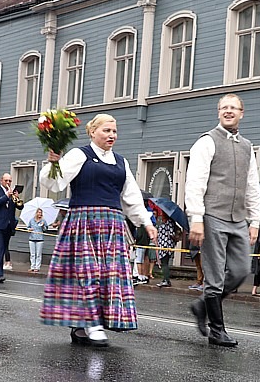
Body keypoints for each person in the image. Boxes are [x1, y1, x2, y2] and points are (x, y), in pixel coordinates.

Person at [39, 113, 157, 347]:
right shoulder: (79, 154)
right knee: (87, 273)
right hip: (84, 221)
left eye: (114, 131)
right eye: (106, 130)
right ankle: (92, 324)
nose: (112, 135)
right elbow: (54, 183)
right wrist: (52, 163)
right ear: (93, 132)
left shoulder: (121, 162)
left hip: (112, 224)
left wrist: (146, 221)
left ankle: (85, 326)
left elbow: (131, 197)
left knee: (107, 275)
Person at [186, 94, 260, 347]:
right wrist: (196, 217)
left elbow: (252, 185)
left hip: (238, 218)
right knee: (215, 276)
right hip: (212, 215)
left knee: (241, 270)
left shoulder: (247, 146)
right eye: (224, 108)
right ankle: (217, 331)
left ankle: (201, 307)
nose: (228, 111)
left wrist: (255, 220)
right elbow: (195, 182)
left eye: (233, 108)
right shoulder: (207, 142)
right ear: (218, 112)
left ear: (242, 113)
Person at [0, 173, 20, 283]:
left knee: (3, 249)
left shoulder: (12, 194)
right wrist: (6, 196)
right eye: (6, 180)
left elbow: (20, 206)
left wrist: (16, 198)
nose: (8, 183)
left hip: (8, 226)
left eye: (10, 181)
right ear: (1, 181)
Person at [152, 205, 178, 288]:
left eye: (163, 213)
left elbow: (171, 234)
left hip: (166, 245)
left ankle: (167, 280)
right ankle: (164, 279)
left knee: (165, 263)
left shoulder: (169, 222)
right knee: (163, 263)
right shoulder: (164, 222)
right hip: (162, 244)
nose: (161, 214)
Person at [27, 208, 48, 273]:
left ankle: (37, 267)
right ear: (36, 213)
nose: (40, 214)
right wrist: (29, 229)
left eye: (41, 213)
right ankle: (32, 267)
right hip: (32, 238)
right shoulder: (32, 220)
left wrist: (42, 226)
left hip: (39, 238)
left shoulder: (43, 221)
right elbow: (28, 227)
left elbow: (45, 229)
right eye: (38, 212)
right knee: (32, 254)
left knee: (38, 254)